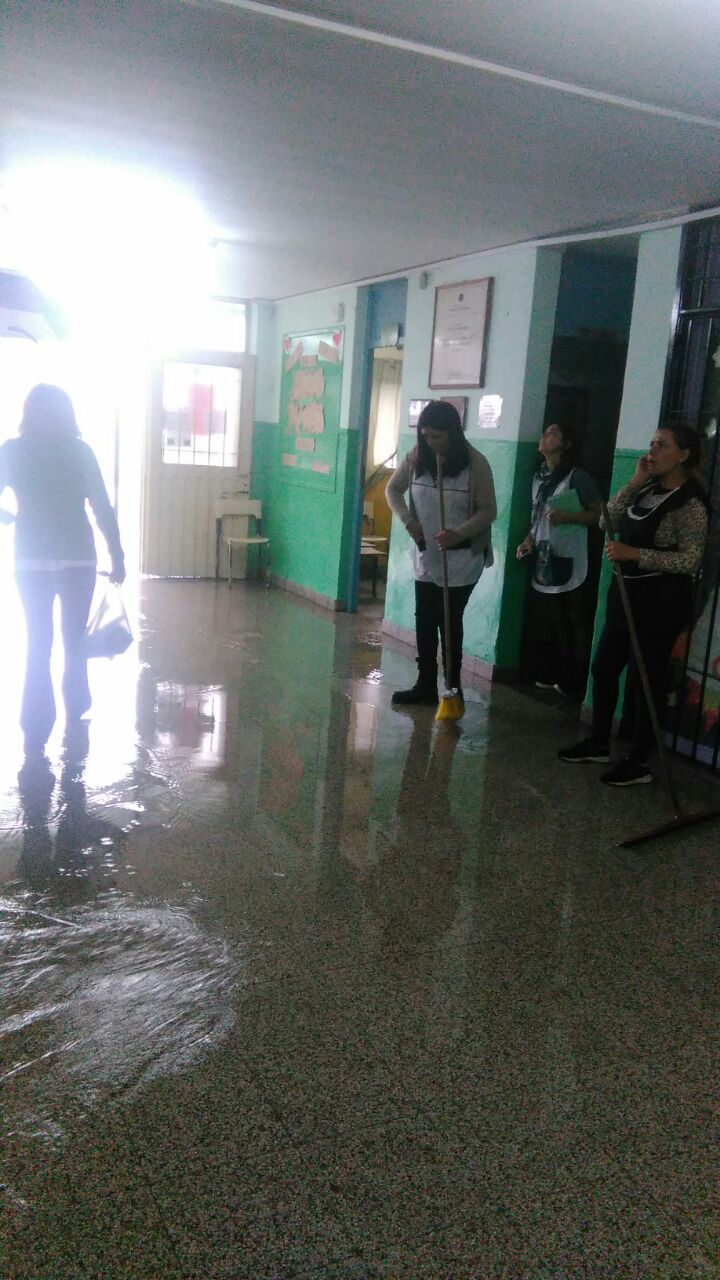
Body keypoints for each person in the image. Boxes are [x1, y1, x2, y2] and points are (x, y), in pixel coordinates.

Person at [559, 422, 709, 786]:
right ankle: (599, 743)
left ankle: (640, 760)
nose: (652, 451)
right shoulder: (647, 490)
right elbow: (605, 520)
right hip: (625, 597)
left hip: (661, 604)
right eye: (652, 443)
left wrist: (635, 554)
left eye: (662, 445)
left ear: (684, 455)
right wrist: (636, 479)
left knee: (646, 681)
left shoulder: (690, 504)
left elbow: (690, 560)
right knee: (604, 668)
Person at [0, 384, 126, 754]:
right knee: (74, 639)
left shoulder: (13, 451)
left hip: (30, 558)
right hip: (78, 558)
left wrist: (10, 517)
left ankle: (35, 721)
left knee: (38, 642)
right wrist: (117, 556)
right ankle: (77, 706)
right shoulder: (80, 452)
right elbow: (102, 507)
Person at [386, 399, 496, 705]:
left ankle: (453, 687)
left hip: (462, 557)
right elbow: (392, 489)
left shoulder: (476, 464)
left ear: (453, 433)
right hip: (427, 553)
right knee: (424, 619)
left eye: (438, 436)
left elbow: (488, 511)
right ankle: (425, 685)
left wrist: (458, 533)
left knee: (447, 620)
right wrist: (408, 521)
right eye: (426, 435)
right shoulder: (417, 456)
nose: (432, 442)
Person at [517, 420, 601, 696]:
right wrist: (528, 540)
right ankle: (550, 672)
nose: (545, 436)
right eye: (546, 431)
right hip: (545, 556)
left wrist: (568, 517)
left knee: (574, 621)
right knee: (551, 621)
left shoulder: (578, 478)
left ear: (566, 445)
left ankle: (574, 681)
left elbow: (600, 515)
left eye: (554, 433)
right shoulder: (539, 476)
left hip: (572, 556)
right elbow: (537, 518)